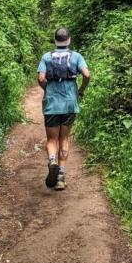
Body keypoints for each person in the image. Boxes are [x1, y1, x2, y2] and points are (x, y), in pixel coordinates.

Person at [37, 27, 90, 191]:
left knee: (52, 140)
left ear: (55, 40)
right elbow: (87, 75)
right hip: (69, 103)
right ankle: (60, 178)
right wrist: (81, 90)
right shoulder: (76, 56)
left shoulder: (47, 57)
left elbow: (40, 78)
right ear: (69, 40)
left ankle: (52, 159)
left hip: (52, 103)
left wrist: (47, 89)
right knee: (64, 139)